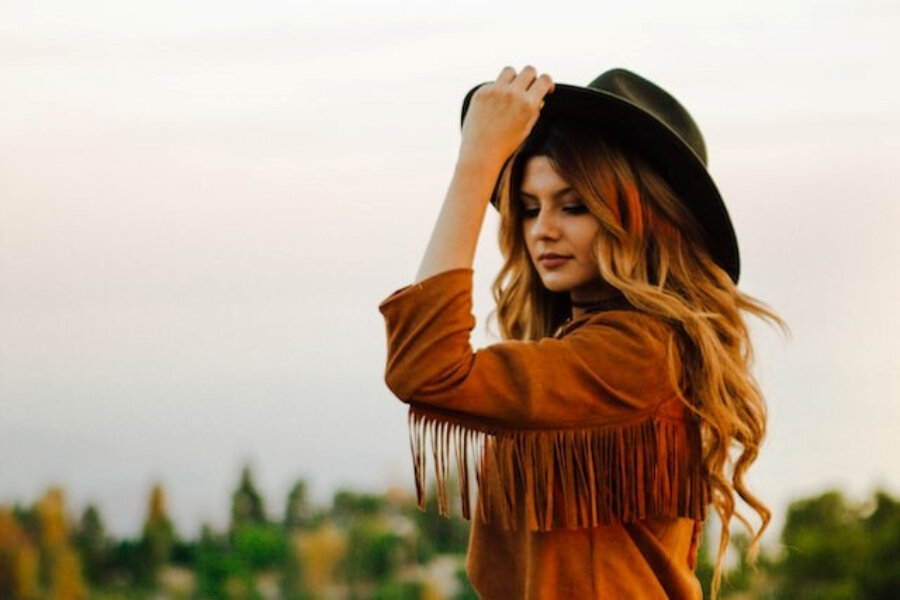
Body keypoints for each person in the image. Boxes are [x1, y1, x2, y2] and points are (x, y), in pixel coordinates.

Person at [378, 66, 783, 599]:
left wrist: (476, 165)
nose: (543, 229)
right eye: (528, 208)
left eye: (573, 206)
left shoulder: (637, 351)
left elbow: (427, 369)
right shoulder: (601, 346)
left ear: (643, 219)